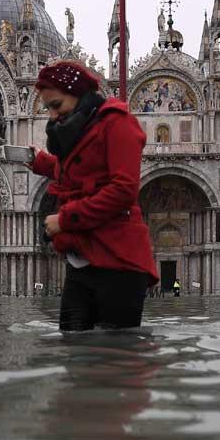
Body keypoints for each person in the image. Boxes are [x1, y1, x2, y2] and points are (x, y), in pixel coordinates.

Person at [28, 60, 158, 331]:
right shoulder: (81, 128)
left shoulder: (118, 123)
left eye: (57, 105)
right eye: (47, 108)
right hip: (82, 257)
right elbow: (82, 171)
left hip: (118, 260)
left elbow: (123, 190)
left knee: (115, 354)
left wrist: (64, 220)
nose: (52, 116)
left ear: (78, 95)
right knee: (73, 346)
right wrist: (40, 162)